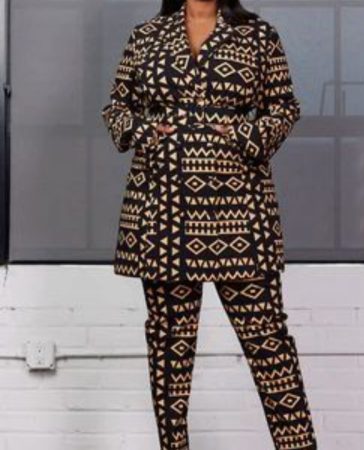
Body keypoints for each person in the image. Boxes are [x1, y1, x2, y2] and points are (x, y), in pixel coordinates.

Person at [101, 0, 318, 448]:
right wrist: (145, 133)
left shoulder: (258, 35)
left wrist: (244, 135)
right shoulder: (146, 36)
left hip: (241, 209)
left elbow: (284, 107)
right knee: (169, 349)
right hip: (163, 208)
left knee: (268, 343)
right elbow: (117, 107)